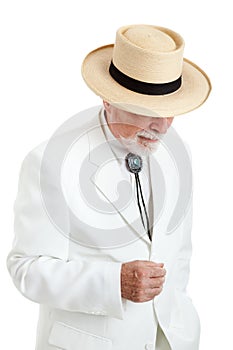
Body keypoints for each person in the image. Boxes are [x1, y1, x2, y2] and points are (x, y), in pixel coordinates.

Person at [7, 24, 211, 350]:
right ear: (107, 98)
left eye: (171, 110)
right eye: (146, 110)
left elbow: (179, 256)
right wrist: (114, 283)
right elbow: (27, 270)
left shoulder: (178, 150)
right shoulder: (49, 161)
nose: (162, 126)